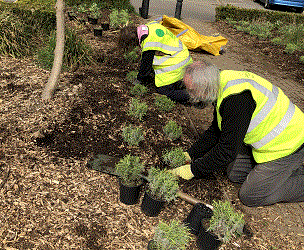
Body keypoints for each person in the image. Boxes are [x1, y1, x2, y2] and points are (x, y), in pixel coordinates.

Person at [170, 60, 304, 208]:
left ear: (206, 86)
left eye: (193, 91)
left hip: (289, 144)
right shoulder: (220, 82)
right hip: (268, 142)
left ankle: (291, 174)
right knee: (235, 173)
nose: (191, 95)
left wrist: (192, 170)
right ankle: (281, 174)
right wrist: (190, 154)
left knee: (250, 196)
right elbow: (217, 130)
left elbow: (227, 151)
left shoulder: (236, 100)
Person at [118, 22, 194, 105]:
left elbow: (145, 66)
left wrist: (138, 80)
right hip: (183, 55)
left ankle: (194, 96)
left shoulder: (148, 43)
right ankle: (181, 83)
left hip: (178, 63)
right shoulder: (149, 26)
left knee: (163, 91)